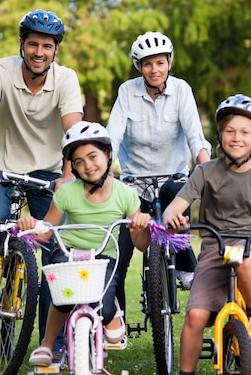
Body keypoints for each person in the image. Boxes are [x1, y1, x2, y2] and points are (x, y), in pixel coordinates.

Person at [0, 9, 84, 347]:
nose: (39, 52)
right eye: (32, 44)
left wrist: (67, 174)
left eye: (46, 46)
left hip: (47, 172)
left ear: (55, 50)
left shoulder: (66, 79)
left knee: (54, 244)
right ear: (22, 44)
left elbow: (73, 130)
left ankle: (55, 341)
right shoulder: (0, 70)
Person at [162, 93, 251, 375]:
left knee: (241, 257)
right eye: (230, 131)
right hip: (214, 246)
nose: (237, 138)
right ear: (220, 136)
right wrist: (172, 216)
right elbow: (176, 206)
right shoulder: (204, 171)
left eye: (245, 132)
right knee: (196, 316)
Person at [18, 121, 151, 367]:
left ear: (108, 154)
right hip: (67, 252)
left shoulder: (126, 195)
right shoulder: (67, 193)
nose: (88, 166)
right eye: (79, 162)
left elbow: (141, 245)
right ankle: (48, 345)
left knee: (105, 309)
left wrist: (140, 227)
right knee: (63, 298)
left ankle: (112, 311)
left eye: (93, 156)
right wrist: (31, 225)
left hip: (104, 257)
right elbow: (47, 230)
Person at [106, 31, 211, 311]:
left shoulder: (182, 90)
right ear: (138, 66)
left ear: (169, 62)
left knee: (175, 190)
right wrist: (103, 171)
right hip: (134, 184)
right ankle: (112, 319)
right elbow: (112, 137)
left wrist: (204, 164)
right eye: (147, 63)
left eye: (160, 63)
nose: (155, 69)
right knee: (119, 253)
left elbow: (194, 137)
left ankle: (184, 259)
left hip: (172, 180)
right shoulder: (127, 92)